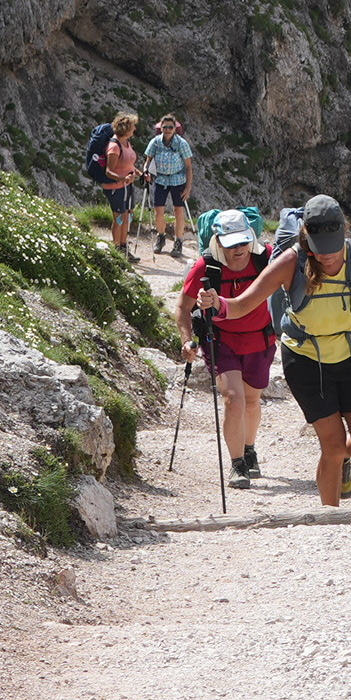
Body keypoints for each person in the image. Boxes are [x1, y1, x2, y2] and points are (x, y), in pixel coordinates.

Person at [219, 194, 351, 506]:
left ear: (344, 233)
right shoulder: (291, 262)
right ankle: (331, 519)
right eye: (320, 248)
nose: (327, 256)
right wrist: (216, 306)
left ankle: (342, 457)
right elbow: (245, 303)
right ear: (307, 237)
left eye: (333, 246)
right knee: (331, 444)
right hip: (304, 360)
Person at [178, 212, 275, 485]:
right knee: (234, 399)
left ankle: (249, 448)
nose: (239, 249)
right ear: (218, 242)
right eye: (231, 244)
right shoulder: (205, 269)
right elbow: (183, 308)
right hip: (221, 341)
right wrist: (187, 340)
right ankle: (238, 465)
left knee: (253, 400)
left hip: (261, 340)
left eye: (243, 242)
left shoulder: (265, 259)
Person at [141, 116, 198, 257]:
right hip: (160, 179)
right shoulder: (155, 142)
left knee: (178, 211)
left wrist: (188, 188)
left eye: (170, 127)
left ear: (175, 129)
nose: (167, 130)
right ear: (160, 128)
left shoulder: (181, 143)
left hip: (178, 180)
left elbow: (189, 166)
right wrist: (146, 172)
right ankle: (161, 237)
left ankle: (178, 241)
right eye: (164, 127)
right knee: (158, 210)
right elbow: (147, 161)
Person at [97, 109, 142, 253]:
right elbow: (109, 171)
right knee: (119, 217)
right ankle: (117, 248)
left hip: (127, 185)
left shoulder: (126, 143)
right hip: (115, 187)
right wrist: (124, 178)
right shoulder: (114, 146)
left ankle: (123, 247)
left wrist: (139, 173)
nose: (135, 128)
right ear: (127, 128)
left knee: (127, 215)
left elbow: (128, 164)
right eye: (133, 126)